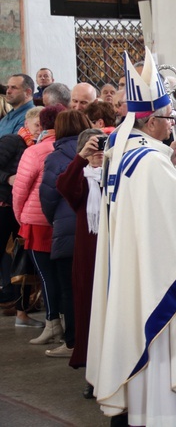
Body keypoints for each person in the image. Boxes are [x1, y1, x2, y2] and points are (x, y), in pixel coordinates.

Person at [87, 49, 176, 427]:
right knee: (158, 346)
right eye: (170, 118)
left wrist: (168, 153)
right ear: (151, 122)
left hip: (130, 272)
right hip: (152, 275)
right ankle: (158, 416)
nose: (174, 124)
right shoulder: (149, 162)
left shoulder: (124, 151)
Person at [39, 110, 93, 358]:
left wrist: (55, 221)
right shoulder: (95, 149)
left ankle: (73, 342)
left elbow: (49, 196)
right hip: (93, 232)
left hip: (66, 229)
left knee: (71, 291)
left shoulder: (56, 156)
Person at [55, 127, 105, 397]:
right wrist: (82, 159)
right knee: (88, 312)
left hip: (113, 251)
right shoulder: (81, 176)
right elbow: (64, 187)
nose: (96, 152)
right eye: (90, 147)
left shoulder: (114, 174)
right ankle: (94, 374)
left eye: (99, 147)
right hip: (87, 254)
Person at [12, 104, 66, 335]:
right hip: (63, 220)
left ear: (42, 125)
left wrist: (20, 218)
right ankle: (66, 322)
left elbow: (20, 190)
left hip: (37, 222)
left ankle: (52, 322)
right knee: (64, 275)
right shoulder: (71, 146)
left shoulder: (34, 151)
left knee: (46, 277)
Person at [0, 106, 44, 325]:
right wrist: (8, 177)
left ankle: (22, 312)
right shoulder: (12, 141)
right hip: (4, 206)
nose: (40, 129)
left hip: (22, 209)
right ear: (27, 124)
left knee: (22, 259)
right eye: (37, 125)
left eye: (44, 125)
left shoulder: (39, 146)